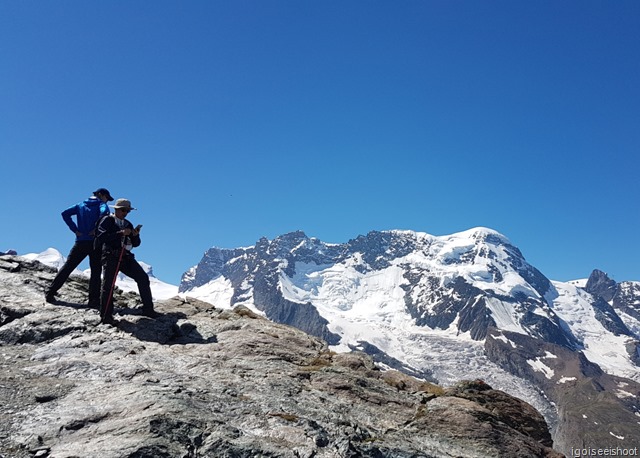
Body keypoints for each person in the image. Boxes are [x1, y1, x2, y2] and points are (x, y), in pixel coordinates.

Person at [45, 188, 114, 306]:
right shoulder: (101, 205)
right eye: (107, 198)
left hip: (80, 241)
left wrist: (75, 230)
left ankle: (50, 293)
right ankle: (93, 301)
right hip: (95, 242)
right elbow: (104, 213)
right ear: (102, 195)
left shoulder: (80, 205)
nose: (107, 201)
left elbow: (65, 214)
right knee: (96, 271)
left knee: (68, 267)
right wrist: (96, 229)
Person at [95, 198, 158, 325]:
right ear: (117, 210)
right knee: (108, 285)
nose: (126, 213)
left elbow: (136, 243)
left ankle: (148, 310)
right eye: (124, 210)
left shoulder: (128, 224)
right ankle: (106, 316)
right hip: (110, 256)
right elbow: (101, 237)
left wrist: (135, 235)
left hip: (125, 257)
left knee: (143, 278)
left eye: (127, 211)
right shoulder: (107, 220)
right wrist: (120, 233)